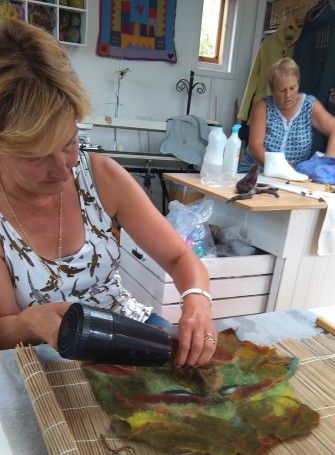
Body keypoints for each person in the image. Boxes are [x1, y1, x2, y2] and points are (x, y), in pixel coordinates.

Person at [0, 19, 217, 367]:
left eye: (69, 142)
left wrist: (197, 300)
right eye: (35, 157)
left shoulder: (98, 175)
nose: (63, 169)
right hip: (48, 361)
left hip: (130, 332)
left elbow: (180, 258)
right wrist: (28, 323)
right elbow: (4, 331)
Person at [238, 57, 335, 173]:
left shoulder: (309, 105)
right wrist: (277, 166)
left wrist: (327, 164)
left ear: (298, 84)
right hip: (255, 171)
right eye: (282, 90)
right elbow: (255, 145)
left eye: (292, 88)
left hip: (292, 177)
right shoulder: (263, 106)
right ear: (273, 90)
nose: (288, 95)